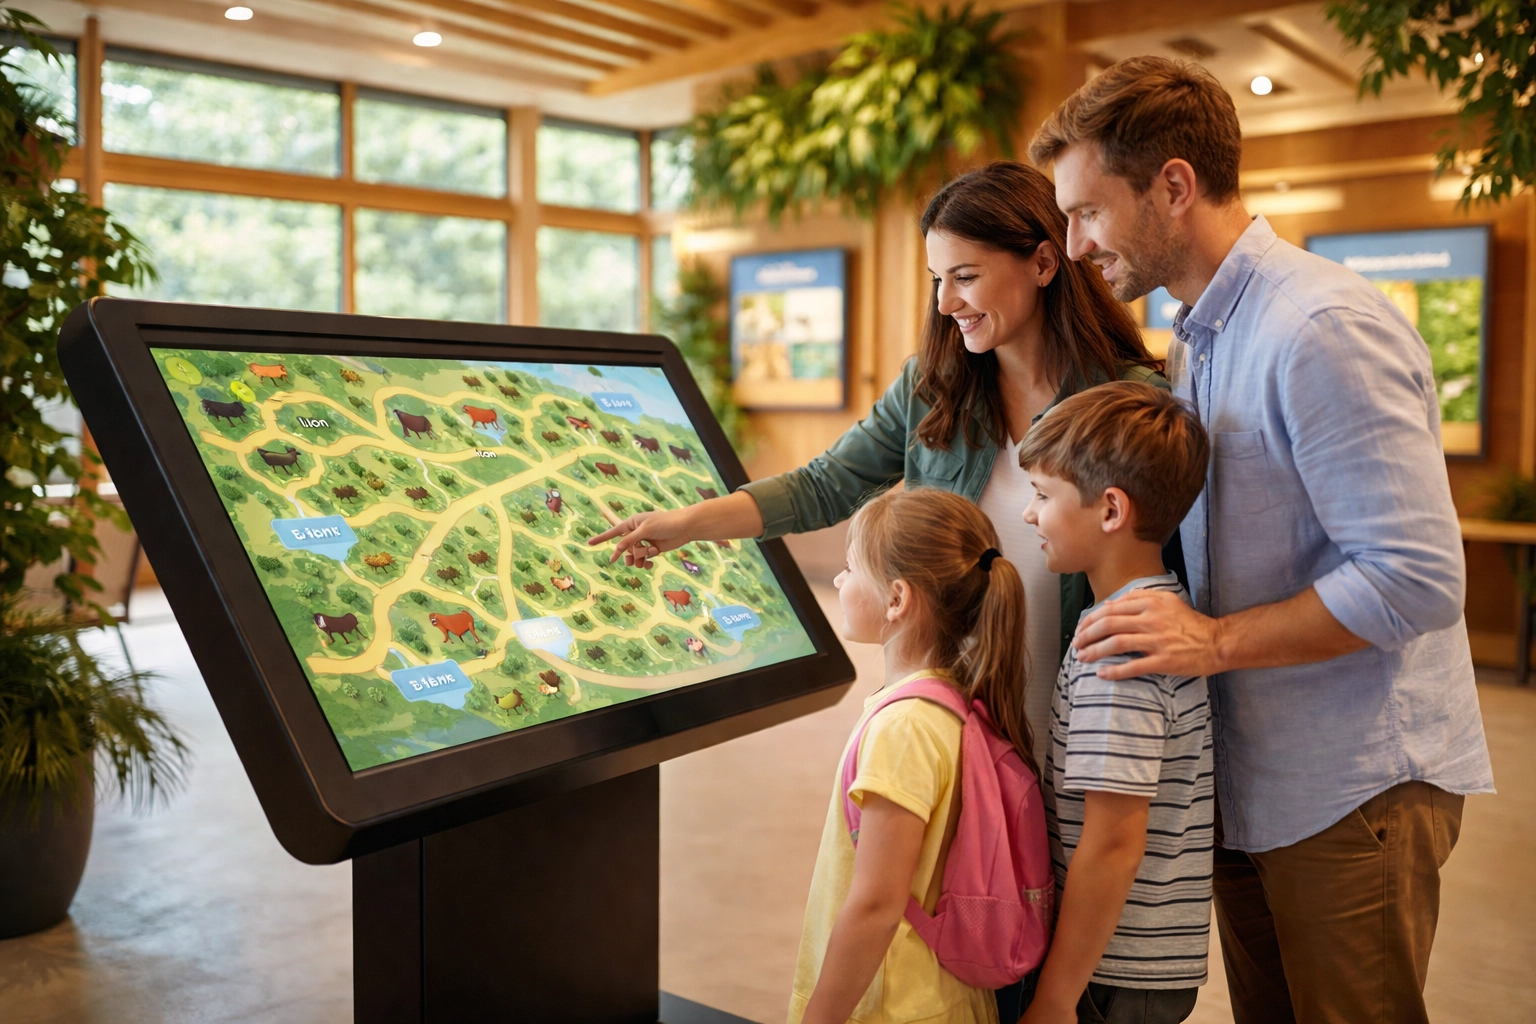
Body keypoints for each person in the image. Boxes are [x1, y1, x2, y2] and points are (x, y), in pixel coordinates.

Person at [1029, 56, 1494, 1024]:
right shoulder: (1199, 329)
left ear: (1173, 185)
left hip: (1351, 782)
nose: (1075, 246)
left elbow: (1414, 579)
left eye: (1088, 212)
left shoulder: (1317, 326)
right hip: (1257, 777)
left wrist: (1214, 641)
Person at [592, 161, 1169, 769]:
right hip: (959, 728)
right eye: (937, 279)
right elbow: (823, 485)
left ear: (1045, 264)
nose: (946, 302)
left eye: (965, 276)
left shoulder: (1131, 402)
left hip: (1093, 729)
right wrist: (684, 525)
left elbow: (1173, 566)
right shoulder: (931, 387)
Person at [792, 486, 1033, 1024]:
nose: (838, 580)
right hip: (936, 996)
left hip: (896, 1002)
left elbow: (877, 905)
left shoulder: (905, 728)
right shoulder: (950, 701)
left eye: (851, 567)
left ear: (897, 599)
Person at [1016, 381, 1211, 1024]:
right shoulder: (1158, 609)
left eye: (1043, 496)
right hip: (1131, 964)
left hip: (1111, 973)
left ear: (1110, 510)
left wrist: (1055, 996)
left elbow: (1113, 842)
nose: (1028, 514)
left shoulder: (1119, 649)